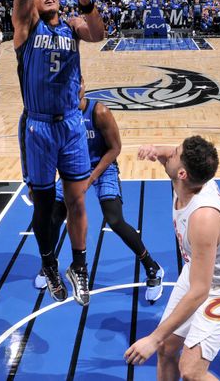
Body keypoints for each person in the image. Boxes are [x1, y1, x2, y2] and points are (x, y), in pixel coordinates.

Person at [12, 0, 105, 306]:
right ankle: (49, 263)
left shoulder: (71, 26)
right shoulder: (24, 26)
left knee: (78, 200)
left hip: (70, 123)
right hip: (37, 126)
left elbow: (99, 34)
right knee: (44, 203)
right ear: (30, 2)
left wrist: (86, 2)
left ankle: (78, 266)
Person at [125, 136, 220, 380]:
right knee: (166, 348)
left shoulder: (203, 218)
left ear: (183, 173)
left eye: (174, 152)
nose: (168, 154)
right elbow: (166, 154)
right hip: (198, 272)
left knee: (191, 371)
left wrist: (152, 338)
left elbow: (200, 291)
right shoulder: (193, 176)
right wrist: (154, 149)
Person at [34, 78, 165, 302]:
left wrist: (91, 178)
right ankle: (49, 266)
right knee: (54, 216)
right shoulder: (61, 115)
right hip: (74, 168)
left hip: (103, 168)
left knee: (114, 219)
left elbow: (115, 149)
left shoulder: (100, 112)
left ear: (83, 87)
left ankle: (152, 267)